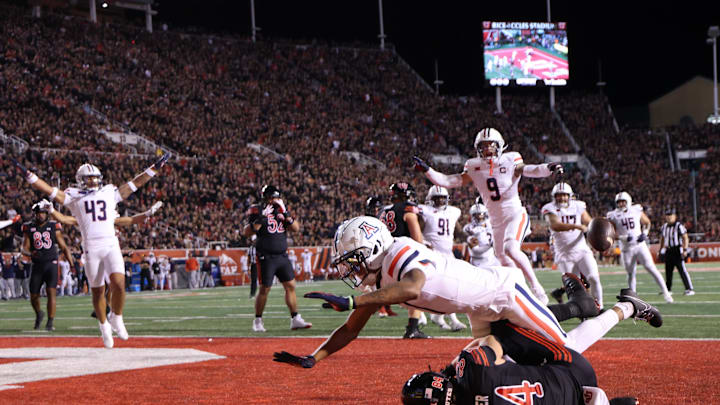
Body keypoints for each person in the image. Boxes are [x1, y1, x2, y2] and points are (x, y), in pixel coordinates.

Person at [271, 217, 603, 370]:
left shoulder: (399, 252)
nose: (351, 270)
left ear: (372, 249)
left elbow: (412, 286)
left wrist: (352, 301)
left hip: (505, 291)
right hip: (481, 311)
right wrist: (314, 357)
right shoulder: (379, 277)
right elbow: (350, 329)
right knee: (479, 370)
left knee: (567, 353)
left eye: (354, 261)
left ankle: (620, 310)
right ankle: (576, 306)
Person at [400, 288, 661, 405]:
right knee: (503, 327)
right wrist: (460, 360)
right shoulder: (472, 367)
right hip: (569, 371)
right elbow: (491, 342)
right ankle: (583, 306)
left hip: (574, 397)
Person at [14, 154, 170, 348]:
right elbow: (50, 191)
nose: (93, 181)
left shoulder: (109, 192)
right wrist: (31, 177)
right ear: (80, 180)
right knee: (98, 292)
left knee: (119, 284)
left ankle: (117, 317)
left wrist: (153, 169)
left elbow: (133, 184)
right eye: (89, 178)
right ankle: (104, 326)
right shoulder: (73, 196)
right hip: (91, 248)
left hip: (111, 243)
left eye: (95, 177)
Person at [414, 128, 564, 304]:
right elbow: (448, 181)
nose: (487, 150)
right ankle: (520, 290)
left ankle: (538, 290)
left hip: (515, 214)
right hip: (496, 221)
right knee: (501, 257)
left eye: (490, 146)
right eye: (483, 146)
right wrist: (427, 170)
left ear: (499, 146)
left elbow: (530, 170)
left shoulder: (510, 159)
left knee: (511, 249)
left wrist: (548, 167)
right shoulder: (473, 166)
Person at [243, 185, 311, 332]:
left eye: (276, 197)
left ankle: (295, 318)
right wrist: (262, 217)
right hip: (265, 256)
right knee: (265, 289)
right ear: (266, 197)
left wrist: (286, 214)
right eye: (272, 197)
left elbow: (296, 228)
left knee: (291, 286)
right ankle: (258, 320)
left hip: (282, 255)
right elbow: (247, 232)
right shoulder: (257, 209)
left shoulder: (281, 210)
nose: (274, 200)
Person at [542, 182, 603, 308]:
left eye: (564, 195)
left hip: (581, 250)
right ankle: (582, 311)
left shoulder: (578, 206)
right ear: (554, 196)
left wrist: (599, 228)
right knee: (575, 287)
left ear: (570, 195)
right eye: (559, 195)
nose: (562, 198)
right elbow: (555, 225)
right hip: (564, 254)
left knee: (594, 278)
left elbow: (588, 221)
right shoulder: (549, 208)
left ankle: (599, 307)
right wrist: (575, 226)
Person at [379, 182, 428, 338]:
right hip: (404, 254)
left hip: (385, 257)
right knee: (418, 288)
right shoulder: (408, 209)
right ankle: (412, 328)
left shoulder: (384, 212)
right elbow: (417, 239)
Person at [606, 192, 673, 303]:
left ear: (628, 201)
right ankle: (633, 298)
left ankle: (666, 292)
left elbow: (647, 222)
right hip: (627, 248)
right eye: (619, 202)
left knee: (651, 268)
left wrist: (645, 233)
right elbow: (611, 233)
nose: (621, 204)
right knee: (631, 273)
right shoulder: (613, 215)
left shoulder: (636, 210)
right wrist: (623, 238)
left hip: (639, 245)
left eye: (623, 201)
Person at [419, 185, 467, 332]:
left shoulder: (453, 212)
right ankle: (425, 315)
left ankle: (438, 316)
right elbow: (417, 231)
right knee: (429, 286)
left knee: (452, 287)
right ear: (430, 199)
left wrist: (470, 237)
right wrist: (423, 243)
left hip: (448, 254)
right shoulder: (425, 212)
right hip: (432, 255)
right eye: (436, 198)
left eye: (442, 198)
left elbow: (458, 231)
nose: (440, 200)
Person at [21, 201, 74, 331]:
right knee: (33, 294)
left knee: (51, 293)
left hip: (51, 263)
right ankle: (39, 313)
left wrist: (72, 264)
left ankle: (50, 321)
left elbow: (63, 246)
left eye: (43, 213)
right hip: (37, 264)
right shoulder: (29, 227)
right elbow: (24, 248)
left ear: (47, 214)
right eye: (39, 213)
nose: (41, 216)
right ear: (35, 214)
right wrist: (31, 253)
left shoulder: (53, 226)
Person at [658, 208, 694, 296]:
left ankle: (689, 289)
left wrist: (684, 249)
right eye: (667, 215)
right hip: (668, 250)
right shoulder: (664, 227)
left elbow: (685, 237)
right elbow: (662, 239)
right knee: (668, 271)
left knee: (682, 270)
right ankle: (668, 289)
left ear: (675, 216)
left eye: (671, 215)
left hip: (677, 250)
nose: (669, 217)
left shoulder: (679, 226)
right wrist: (660, 249)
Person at [463, 200, 500, 268]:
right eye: (477, 215)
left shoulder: (490, 225)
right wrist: (491, 245)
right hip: (479, 262)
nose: (480, 217)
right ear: (472, 217)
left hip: (492, 259)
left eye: (482, 214)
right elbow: (476, 251)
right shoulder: (470, 229)